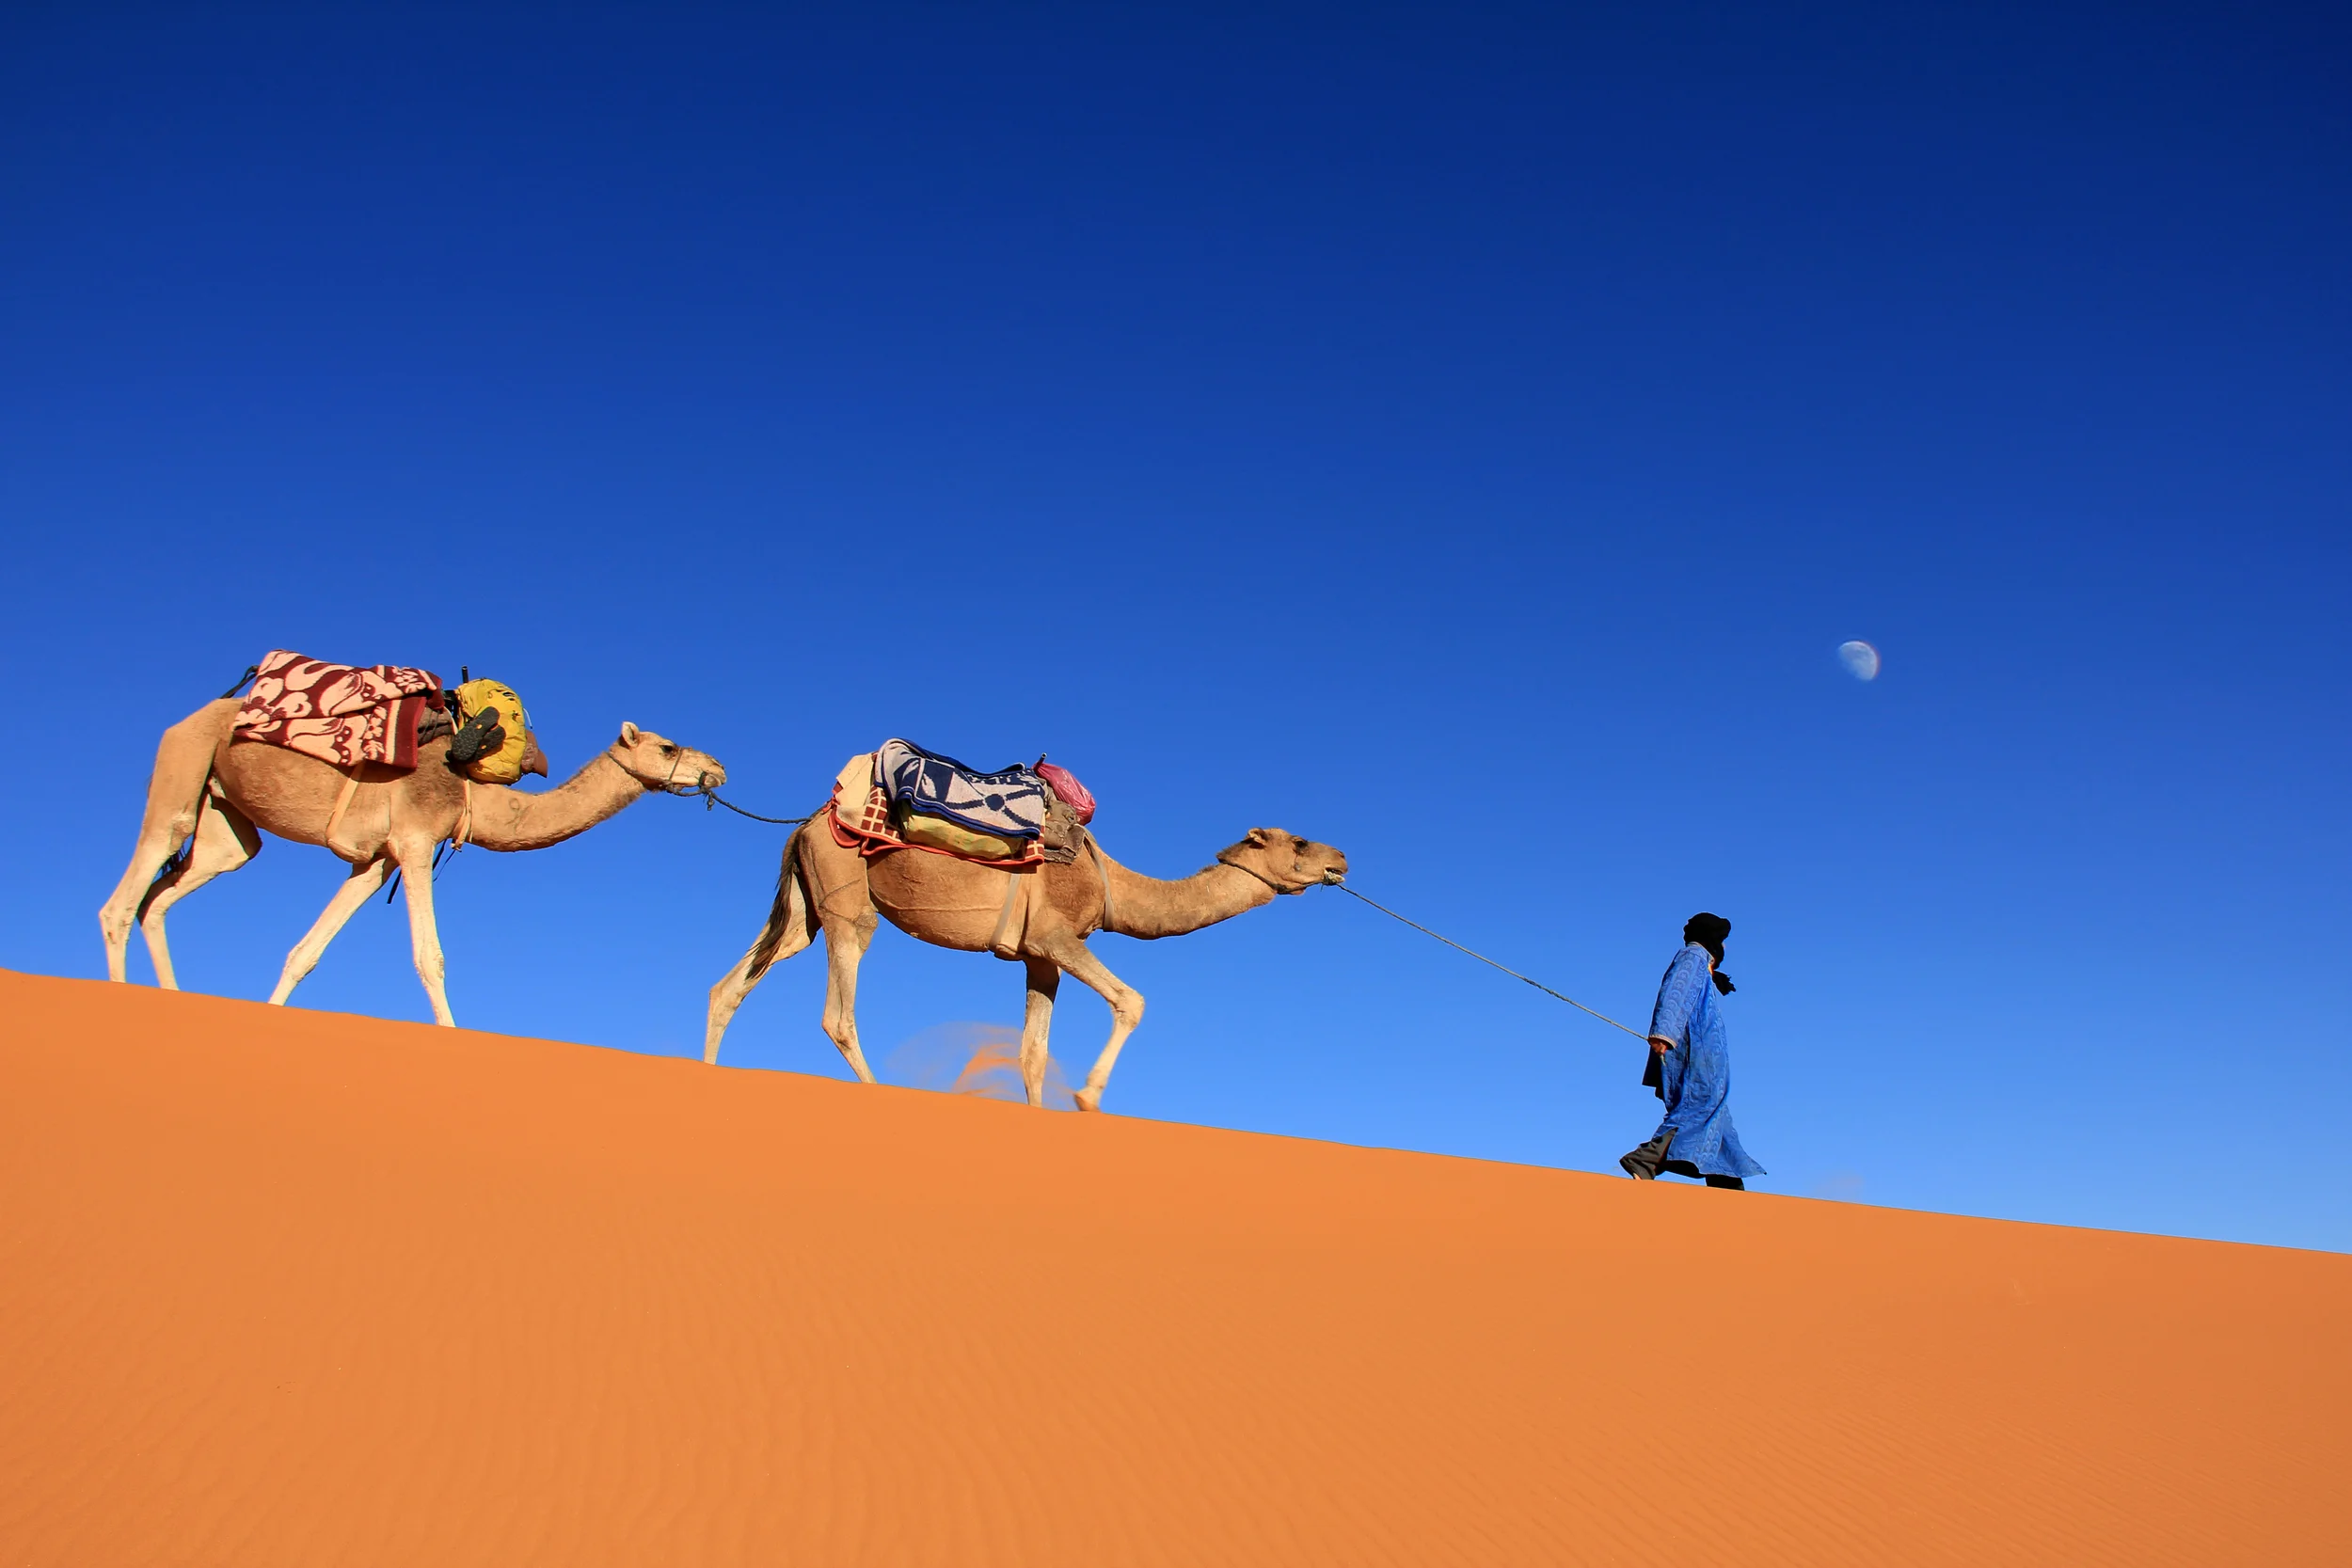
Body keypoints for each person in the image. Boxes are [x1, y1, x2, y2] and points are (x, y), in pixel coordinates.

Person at [1619, 912, 1765, 1190]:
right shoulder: (1693, 957)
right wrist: (1664, 1034)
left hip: (1706, 1054)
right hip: (1696, 1053)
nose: (1725, 947)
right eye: (1722, 940)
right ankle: (1647, 1159)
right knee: (1699, 1108)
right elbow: (1675, 992)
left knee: (1717, 1122)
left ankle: (1728, 1192)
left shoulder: (1702, 965)